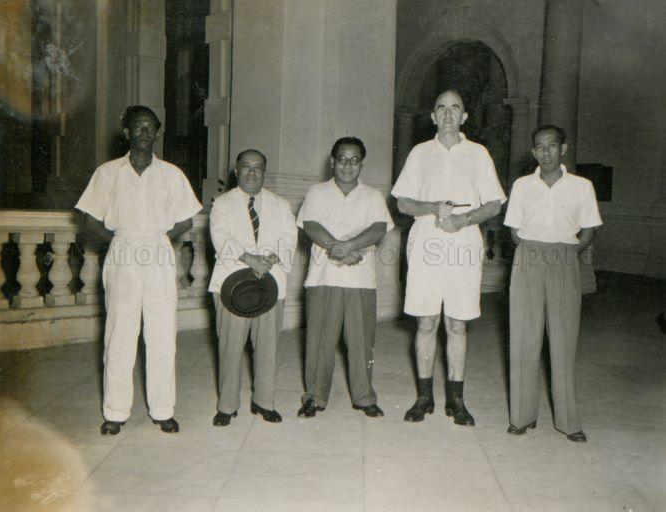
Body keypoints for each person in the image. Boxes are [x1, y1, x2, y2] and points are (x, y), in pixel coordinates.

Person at [76, 105, 202, 435]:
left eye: (150, 127)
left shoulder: (172, 174)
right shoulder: (108, 173)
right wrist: (120, 242)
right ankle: (115, 412)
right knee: (120, 332)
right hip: (123, 250)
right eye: (138, 126)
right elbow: (90, 219)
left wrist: (157, 239)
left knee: (162, 332)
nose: (144, 132)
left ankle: (163, 410)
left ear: (157, 132)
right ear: (127, 132)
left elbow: (186, 220)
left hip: (158, 251)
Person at [392, 89, 506, 425]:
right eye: (441, 108)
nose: (447, 114)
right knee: (426, 321)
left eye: (455, 108)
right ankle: (424, 397)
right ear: (432, 116)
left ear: (464, 116)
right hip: (426, 241)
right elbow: (402, 202)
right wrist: (431, 207)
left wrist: (464, 219)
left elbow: (494, 204)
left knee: (457, 322)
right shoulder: (419, 153)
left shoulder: (479, 154)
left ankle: (456, 400)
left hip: (464, 243)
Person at [504, 124, 602, 443]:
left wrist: (567, 252)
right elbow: (513, 230)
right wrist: (532, 250)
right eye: (540, 147)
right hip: (528, 257)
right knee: (523, 338)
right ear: (533, 152)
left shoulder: (582, 187)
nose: (545, 152)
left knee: (563, 339)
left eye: (552, 146)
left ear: (563, 149)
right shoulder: (522, 185)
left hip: (564, 257)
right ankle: (522, 416)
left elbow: (589, 229)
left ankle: (568, 422)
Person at [296, 137, 393, 418]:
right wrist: (336, 248)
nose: (347, 165)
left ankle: (363, 397)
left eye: (354, 160)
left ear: (361, 164)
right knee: (319, 341)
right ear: (332, 162)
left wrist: (348, 246)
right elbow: (311, 225)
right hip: (323, 277)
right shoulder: (317, 192)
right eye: (342, 159)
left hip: (361, 280)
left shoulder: (373, 196)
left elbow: (379, 228)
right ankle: (315, 396)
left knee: (361, 342)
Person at [208, 149, 297, 426]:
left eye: (258, 167)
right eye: (246, 166)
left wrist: (271, 258)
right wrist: (250, 259)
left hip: (270, 282)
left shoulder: (280, 204)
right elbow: (220, 236)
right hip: (231, 283)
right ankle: (227, 406)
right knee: (230, 346)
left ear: (264, 172)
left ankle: (264, 402)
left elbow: (289, 236)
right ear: (236, 171)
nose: (252, 171)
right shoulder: (222, 204)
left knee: (267, 347)